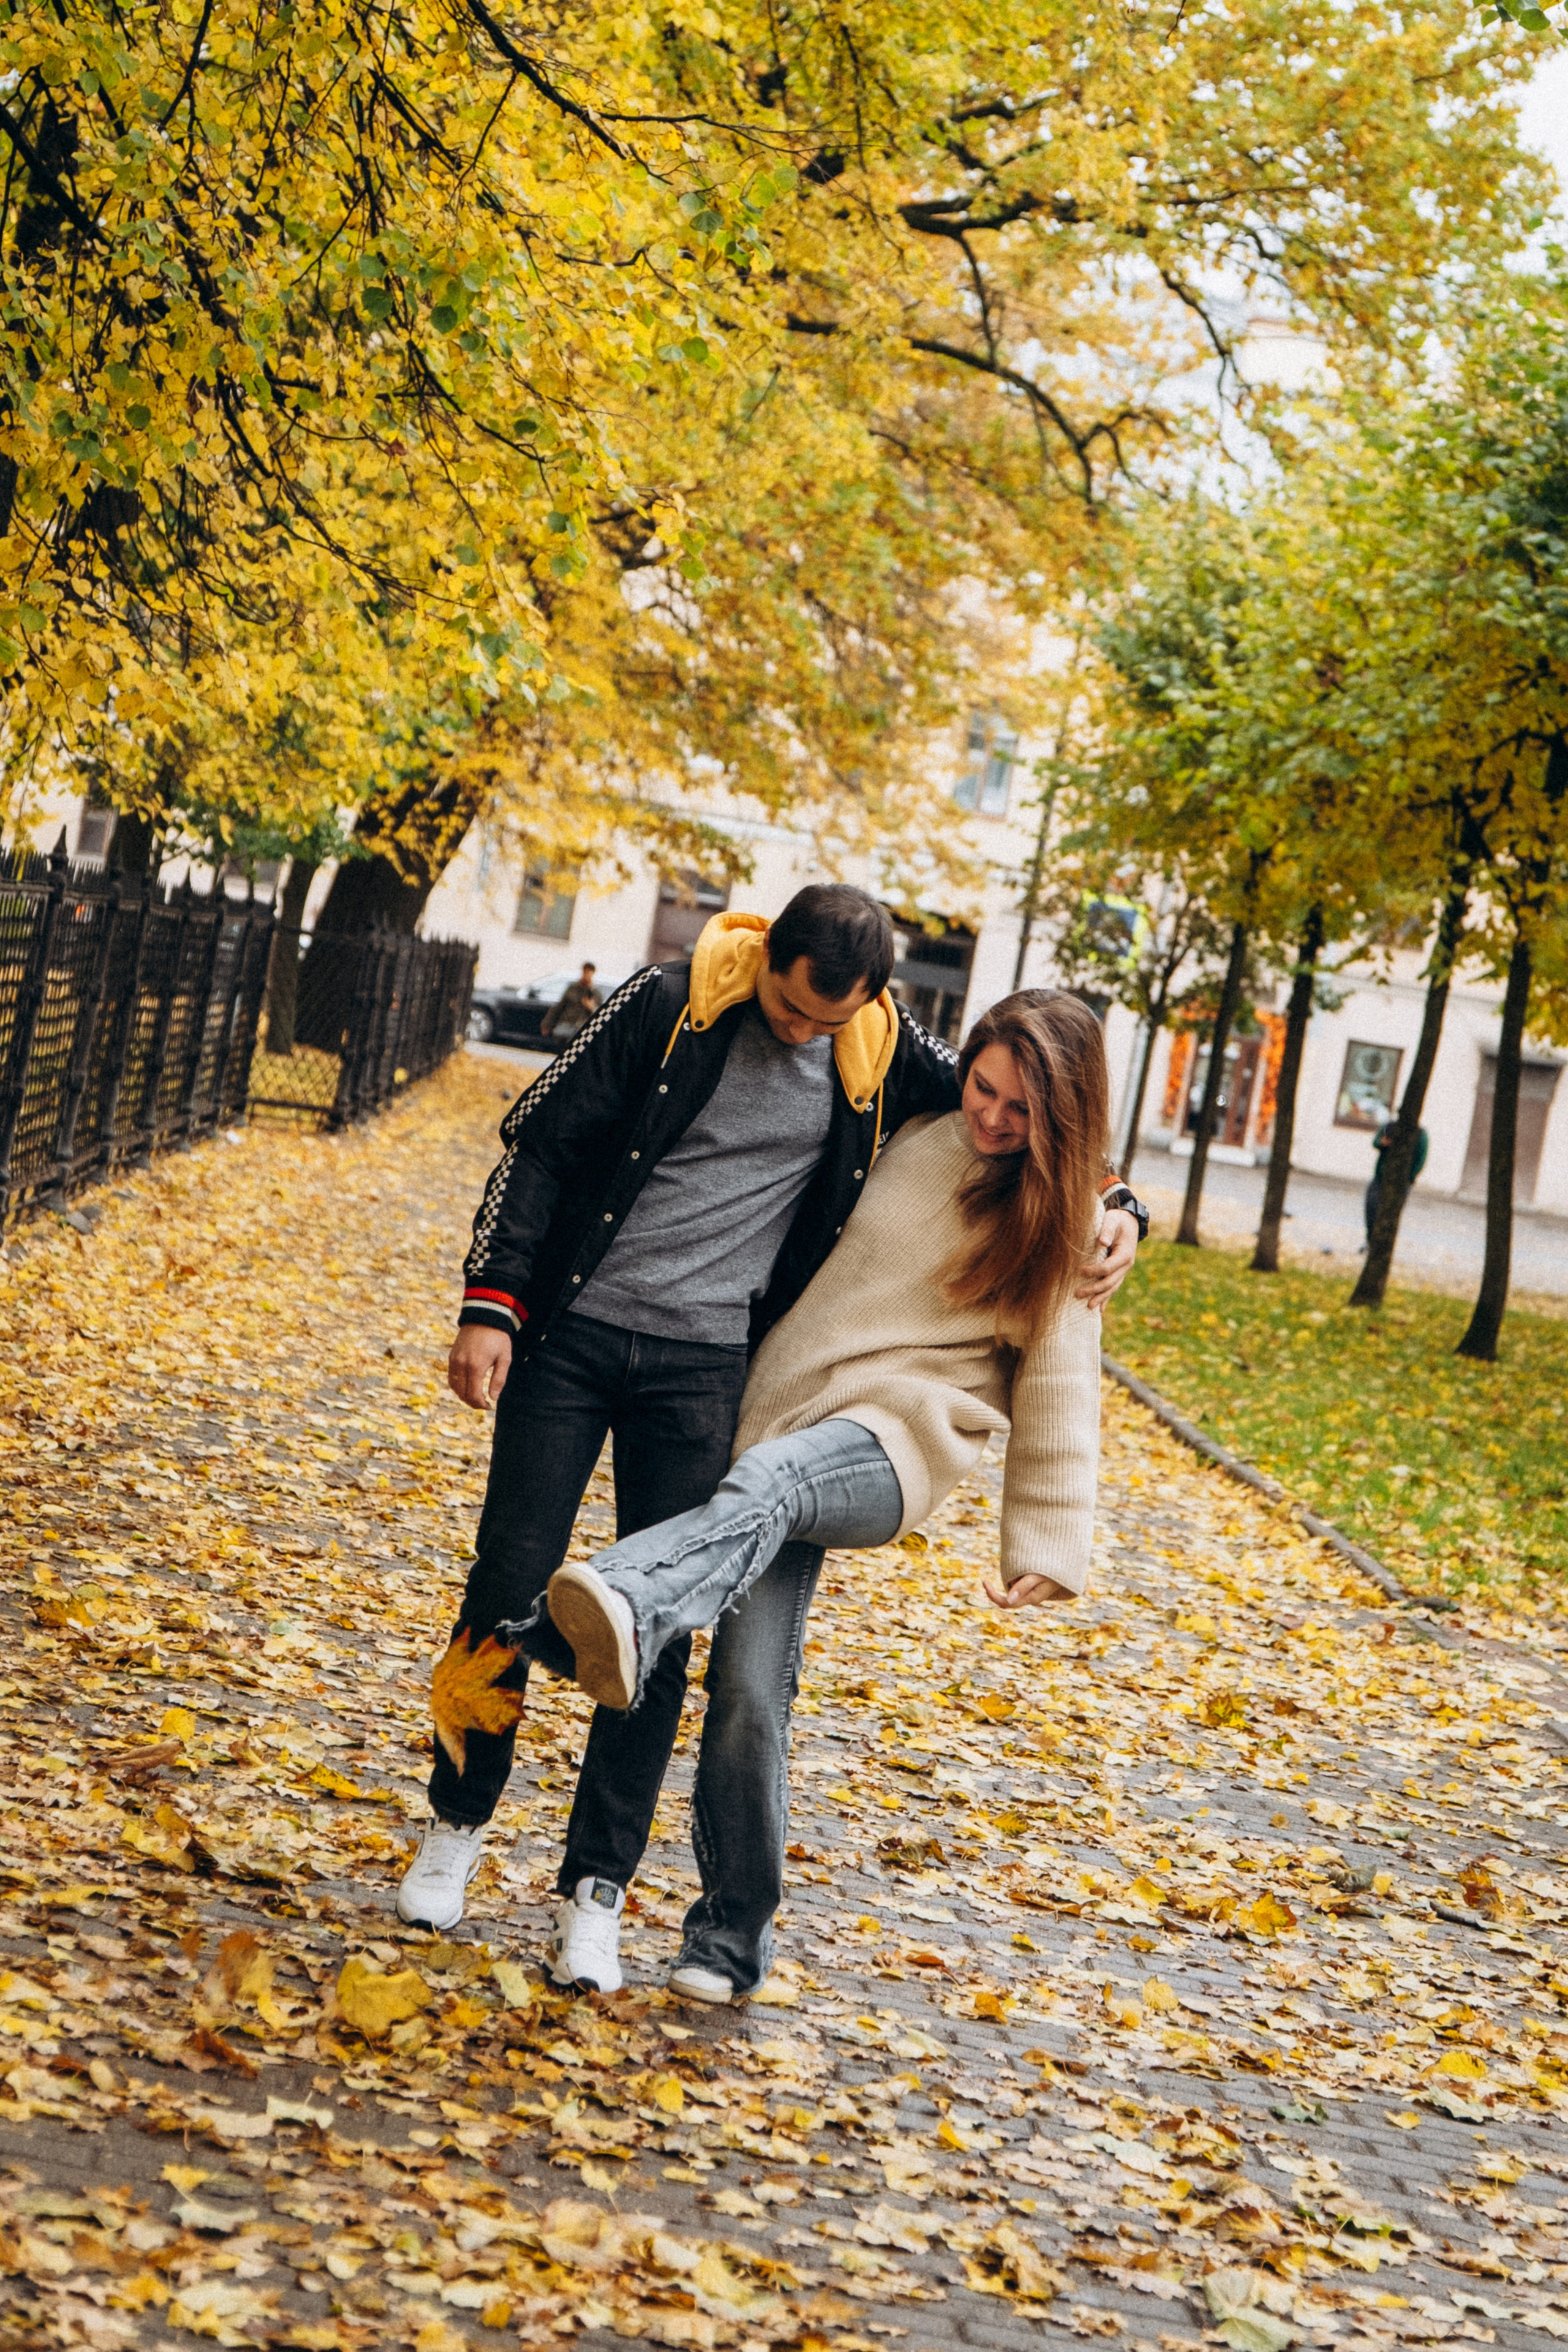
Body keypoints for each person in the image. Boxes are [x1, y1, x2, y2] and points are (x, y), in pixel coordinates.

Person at [399, 885, 1147, 1997]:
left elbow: (1049, 1160)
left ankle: (595, 1895)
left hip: (710, 1375)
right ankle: (455, 1827)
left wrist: (1126, 1205)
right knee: (505, 1582)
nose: (803, 1032)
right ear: (765, 964)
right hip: (581, 1340)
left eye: (827, 1021)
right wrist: (491, 1299)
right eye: (791, 1009)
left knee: (648, 1632)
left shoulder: (882, 1056)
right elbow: (543, 1141)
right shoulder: (670, 1005)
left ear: (871, 1006)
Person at [534, 990, 1109, 2000]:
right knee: (751, 1692)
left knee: (767, 1487)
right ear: (965, 1063)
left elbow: (1062, 1383)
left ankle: (621, 1595)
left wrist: (1047, 1544)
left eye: (1021, 1113)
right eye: (985, 1088)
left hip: (903, 1444)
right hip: (783, 1423)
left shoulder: (1064, 1224)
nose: (992, 1120)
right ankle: (729, 1940)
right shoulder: (906, 1128)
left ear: (1059, 1122)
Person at [1364, 1117, 1428, 1247]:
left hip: (1402, 1183)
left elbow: (1421, 1160)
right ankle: (1371, 1242)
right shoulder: (1390, 1126)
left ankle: (1383, 1246)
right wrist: (1383, 1143)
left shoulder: (1420, 1135)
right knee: (1371, 1208)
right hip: (1380, 1177)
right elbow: (1376, 1141)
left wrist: (1409, 1178)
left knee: (1390, 1215)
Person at [541, 962, 600, 1043]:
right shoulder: (573, 988)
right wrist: (547, 1023)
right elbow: (559, 1007)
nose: (587, 976)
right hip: (567, 1024)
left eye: (589, 973)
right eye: (585, 972)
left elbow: (600, 1015)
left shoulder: (596, 993)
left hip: (582, 1028)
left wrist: (591, 1008)